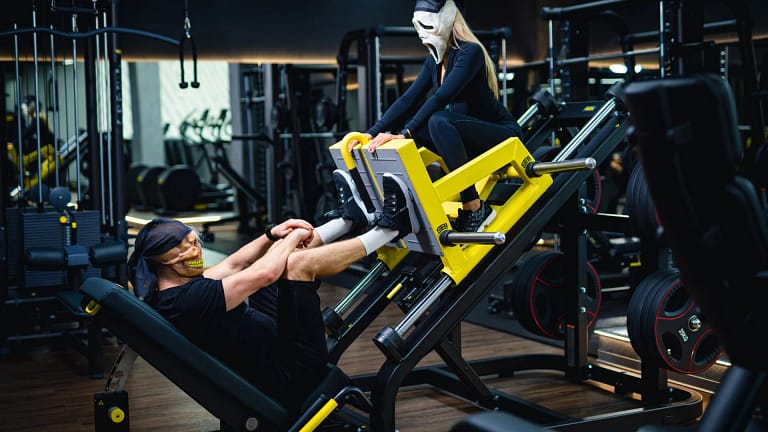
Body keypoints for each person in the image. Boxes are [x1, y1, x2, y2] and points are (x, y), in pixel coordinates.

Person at [127, 170, 419, 412]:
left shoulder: (169, 288)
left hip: (270, 347)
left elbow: (234, 264)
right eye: (186, 248)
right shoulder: (188, 300)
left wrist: (271, 234)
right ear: (165, 260)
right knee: (295, 263)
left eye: (195, 242)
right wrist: (291, 239)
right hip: (289, 374)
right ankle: (391, 229)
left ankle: (348, 221)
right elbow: (263, 274)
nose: (196, 251)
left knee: (278, 257)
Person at [348, 0, 523, 233]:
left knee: (437, 121)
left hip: (504, 136)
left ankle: (475, 207)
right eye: (417, 26)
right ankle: (398, 204)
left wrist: (405, 133)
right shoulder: (435, 61)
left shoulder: (470, 52)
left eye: (427, 25)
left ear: (446, 20)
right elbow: (407, 99)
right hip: (471, 139)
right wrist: (370, 133)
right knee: (420, 129)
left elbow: (440, 97)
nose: (422, 34)